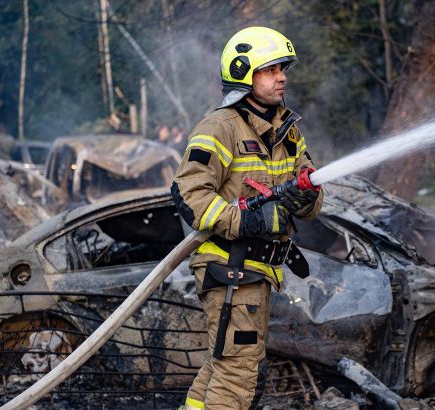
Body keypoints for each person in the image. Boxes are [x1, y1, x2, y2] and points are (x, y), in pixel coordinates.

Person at [171, 27, 323, 409]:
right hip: (229, 267)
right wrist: (248, 221)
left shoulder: (288, 132)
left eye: (282, 68)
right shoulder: (220, 127)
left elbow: (311, 204)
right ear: (243, 74)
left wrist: (307, 194)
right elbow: (189, 195)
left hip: (258, 271)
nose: (281, 77)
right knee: (238, 375)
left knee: (223, 365)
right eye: (270, 69)